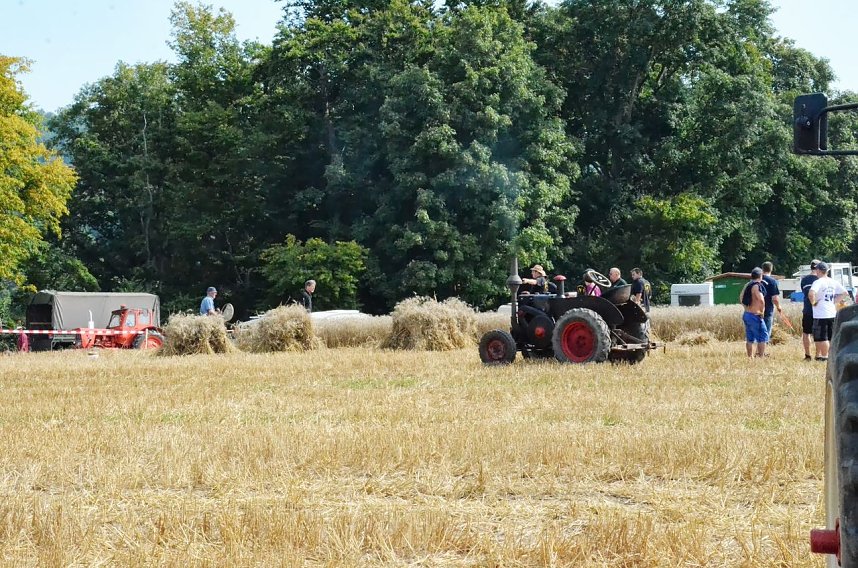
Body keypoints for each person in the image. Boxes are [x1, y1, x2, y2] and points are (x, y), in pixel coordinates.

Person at [808, 261, 850, 361]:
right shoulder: (833, 281)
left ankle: (825, 356)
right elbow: (845, 293)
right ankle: (832, 355)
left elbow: (811, 293)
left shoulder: (818, 282)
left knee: (822, 337)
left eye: (816, 270)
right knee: (831, 336)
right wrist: (835, 301)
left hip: (821, 314)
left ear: (818, 270)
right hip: (831, 312)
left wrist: (813, 303)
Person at [740, 267, 768, 358]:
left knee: (750, 338)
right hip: (755, 315)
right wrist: (762, 312)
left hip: (747, 314)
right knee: (762, 336)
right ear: (760, 276)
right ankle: (761, 357)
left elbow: (741, 298)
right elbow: (761, 300)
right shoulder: (757, 286)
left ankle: (750, 357)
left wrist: (746, 308)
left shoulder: (748, 285)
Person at [800, 259, 821, 360]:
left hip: (807, 309)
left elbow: (804, 292)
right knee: (818, 333)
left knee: (806, 332)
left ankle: (808, 355)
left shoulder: (804, 279)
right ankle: (818, 354)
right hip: (819, 310)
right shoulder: (821, 280)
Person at [760, 261, 783, 341]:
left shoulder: (756, 280)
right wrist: (779, 307)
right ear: (771, 269)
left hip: (755, 310)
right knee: (765, 332)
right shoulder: (772, 281)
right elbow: (775, 299)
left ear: (762, 269)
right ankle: (762, 352)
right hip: (767, 310)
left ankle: (755, 351)